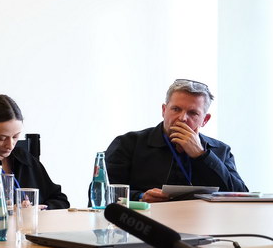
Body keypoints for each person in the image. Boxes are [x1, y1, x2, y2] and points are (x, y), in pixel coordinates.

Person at [105, 79, 247, 203]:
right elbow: (103, 193)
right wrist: (140, 197)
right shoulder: (128, 143)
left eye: (193, 113)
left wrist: (202, 155)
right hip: (145, 221)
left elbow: (241, 196)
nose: (182, 118)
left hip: (203, 223)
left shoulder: (221, 150)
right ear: (164, 110)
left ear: (205, 119)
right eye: (176, 109)